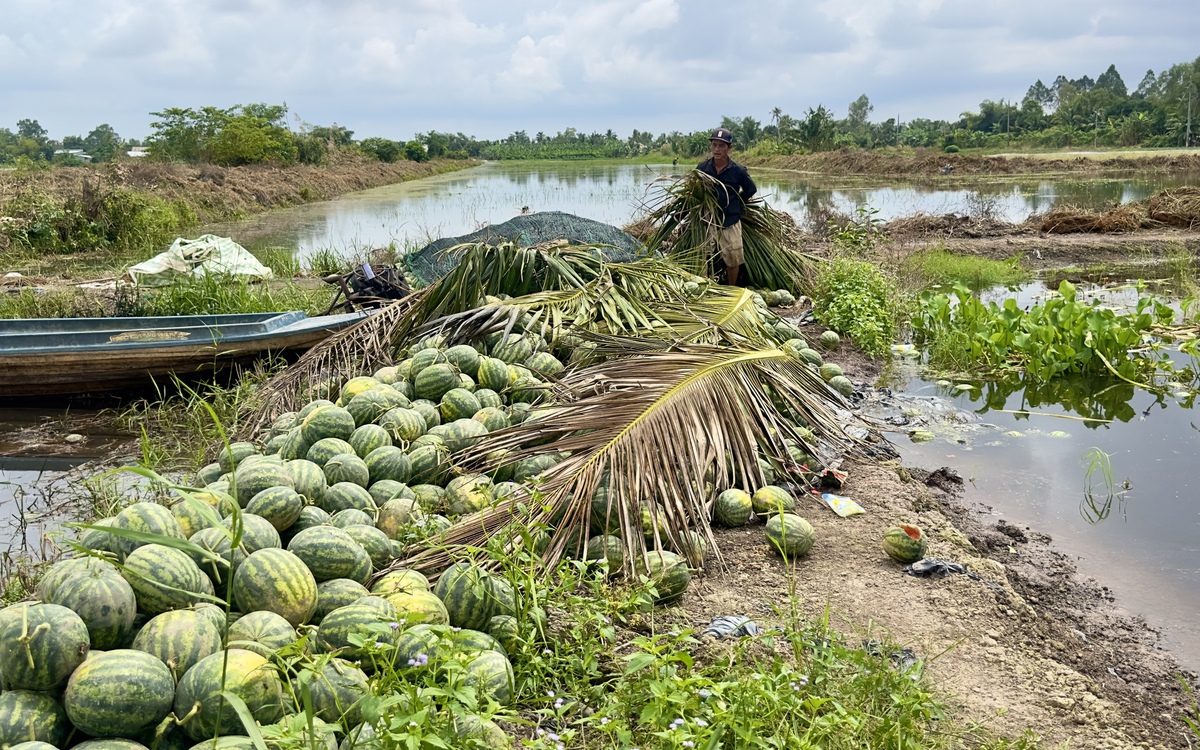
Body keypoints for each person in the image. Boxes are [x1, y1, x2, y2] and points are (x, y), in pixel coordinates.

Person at [696, 127, 756, 286]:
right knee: (703, 256)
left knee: (733, 258)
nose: (717, 149)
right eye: (714, 145)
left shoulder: (738, 171)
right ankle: (704, 286)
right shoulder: (702, 168)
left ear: (729, 148)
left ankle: (731, 288)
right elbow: (696, 190)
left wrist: (737, 202)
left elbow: (751, 189)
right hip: (708, 219)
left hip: (730, 219)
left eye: (721, 146)